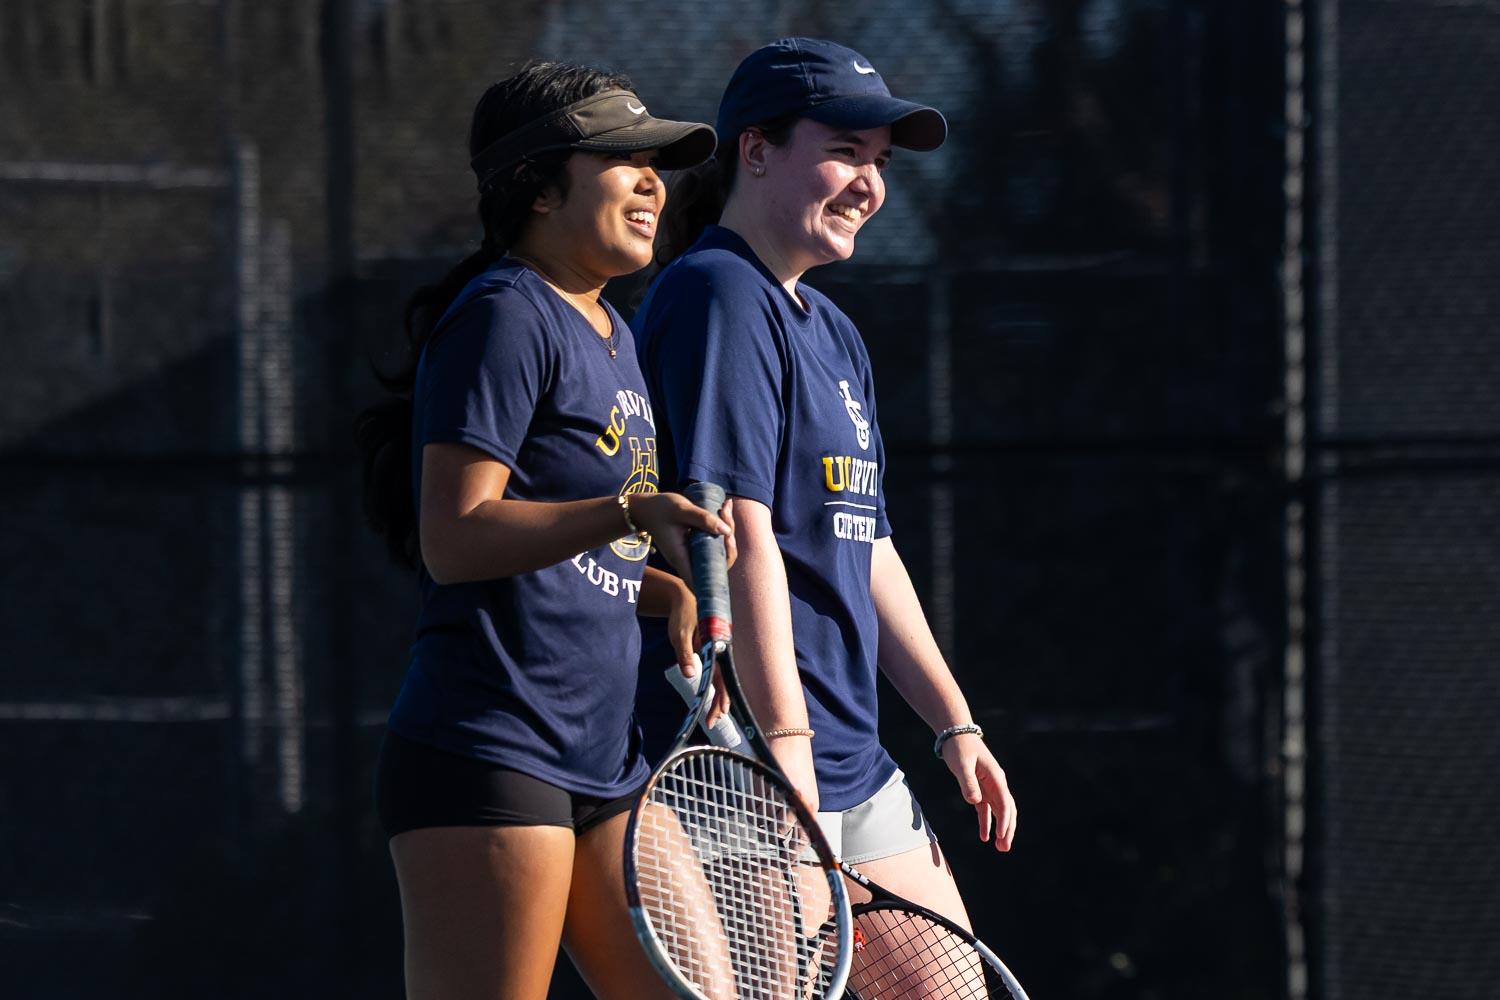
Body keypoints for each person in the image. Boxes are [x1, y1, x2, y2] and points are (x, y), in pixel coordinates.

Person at [356, 62, 732, 1000]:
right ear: (537, 187)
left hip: (608, 762)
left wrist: (665, 592)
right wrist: (629, 512)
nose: (653, 183)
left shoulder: (613, 332)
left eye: (657, 165)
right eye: (623, 160)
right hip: (489, 752)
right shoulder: (504, 317)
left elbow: (568, 553)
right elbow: (457, 537)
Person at [633, 37, 1018, 936]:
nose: (869, 185)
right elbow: (736, 535)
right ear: (756, 150)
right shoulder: (718, 295)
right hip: (745, 762)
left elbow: (868, 547)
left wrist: (956, 726)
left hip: (852, 759)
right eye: (845, 151)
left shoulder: (833, 330)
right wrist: (786, 748)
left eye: (879, 162)